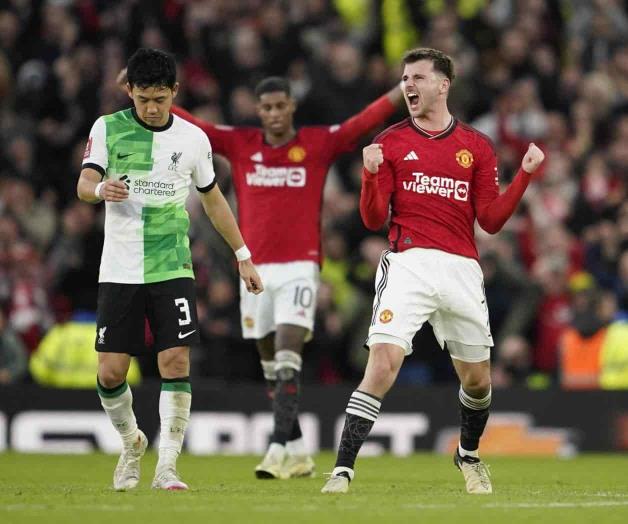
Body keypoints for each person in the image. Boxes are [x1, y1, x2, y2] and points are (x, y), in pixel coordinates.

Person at [320, 48, 545, 495]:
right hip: (408, 265)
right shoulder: (392, 142)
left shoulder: (476, 146)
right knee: (382, 364)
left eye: (418, 77)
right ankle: (342, 470)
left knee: (478, 381)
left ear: (443, 85)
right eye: (405, 78)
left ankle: (468, 453)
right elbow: (371, 219)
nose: (408, 85)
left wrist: (524, 174)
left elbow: (492, 221)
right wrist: (369, 176)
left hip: (461, 268)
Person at [170, 76, 403, 478]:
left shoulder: (316, 143)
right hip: (255, 268)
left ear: (292, 106)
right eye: (267, 108)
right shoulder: (241, 144)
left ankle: (276, 447)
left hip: (300, 266)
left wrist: (404, 88)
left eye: (281, 106)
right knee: (269, 360)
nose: (275, 114)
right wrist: (154, 96)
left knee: (287, 347)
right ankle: (297, 450)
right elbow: (201, 129)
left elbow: (360, 123)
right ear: (259, 111)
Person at [77, 48, 263, 492]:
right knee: (110, 373)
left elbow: (213, 198)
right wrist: (102, 187)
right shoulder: (108, 128)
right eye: (143, 99)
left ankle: (167, 467)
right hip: (120, 267)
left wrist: (242, 254)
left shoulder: (193, 138)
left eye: (160, 98)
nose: (152, 107)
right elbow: (84, 185)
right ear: (130, 92)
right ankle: (131, 442)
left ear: (174, 92)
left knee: (175, 359)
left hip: (171, 263)